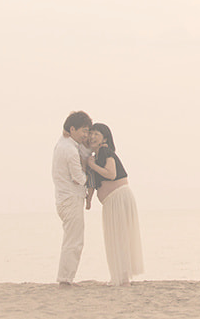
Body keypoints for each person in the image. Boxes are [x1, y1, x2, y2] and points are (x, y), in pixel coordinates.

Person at [87, 123, 144, 286]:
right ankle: (120, 276)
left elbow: (111, 174)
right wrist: (89, 200)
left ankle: (122, 278)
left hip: (117, 198)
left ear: (104, 139)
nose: (92, 137)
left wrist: (92, 165)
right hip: (113, 200)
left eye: (96, 134)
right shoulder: (97, 156)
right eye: (91, 133)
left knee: (119, 237)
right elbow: (94, 182)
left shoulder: (105, 152)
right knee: (117, 237)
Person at [51, 110, 92, 285]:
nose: (86, 135)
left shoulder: (63, 143)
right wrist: (88, 176)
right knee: (74, 241)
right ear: (73, 129)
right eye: (84, 131)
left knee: (72, 240)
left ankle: (65, 278)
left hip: (64, 198)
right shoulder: (70, 150)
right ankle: (65, 279)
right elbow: (79, 178)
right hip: (71, 199)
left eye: (87, 131)